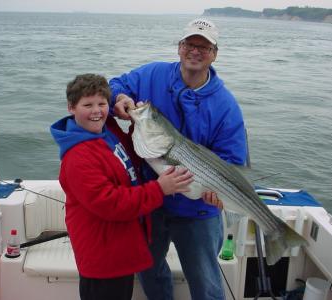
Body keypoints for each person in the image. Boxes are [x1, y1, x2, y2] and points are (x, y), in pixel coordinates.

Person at [109, 18, 247, 300]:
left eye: (204, 47)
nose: (195, 51)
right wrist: (119, 96)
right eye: (190, 44)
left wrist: (217, 193)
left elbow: (231, 161)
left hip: (197, 211)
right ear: (180, 47)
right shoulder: (153, 74)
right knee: (148, 270)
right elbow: (114, 85)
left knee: (206, 283)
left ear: (215, 53)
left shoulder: (226, 105)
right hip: (151, 200)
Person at [50, 73, 194, 300]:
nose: (96, 111)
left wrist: (136, 124)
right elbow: (111, 204)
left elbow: (131, 158)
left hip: (122, 248)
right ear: (71, 108)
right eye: (87, 105)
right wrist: (159, 189)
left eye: (102, 103)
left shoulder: (108, 132)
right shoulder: (77, 157)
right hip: (102, 258)